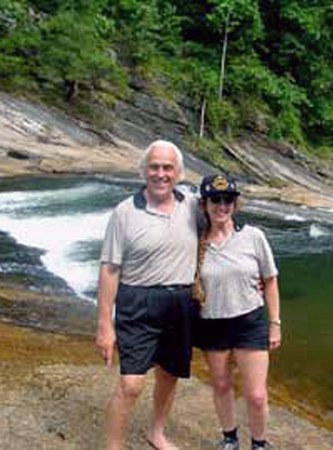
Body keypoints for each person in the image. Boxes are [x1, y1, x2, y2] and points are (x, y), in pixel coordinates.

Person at [95, 140, 200, 450]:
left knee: (169, 376)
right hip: (137, 302)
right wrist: (104, 325)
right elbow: (109, 270)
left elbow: (224, 226)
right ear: (144, 171)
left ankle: (157, 433)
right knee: (131, 384)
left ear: (179, 172)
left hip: (181, 303)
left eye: (168, 167)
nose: (160, 174)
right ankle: (113, 445)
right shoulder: (124, 212)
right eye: (154, 167)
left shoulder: (193, 205)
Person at [195, 174, 281, 450]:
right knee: (221, 386)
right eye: (215, 200)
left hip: (249, 322)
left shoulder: (253, 236)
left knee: (256, 395)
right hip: (211, 323)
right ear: (204, 204)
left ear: (235, 204)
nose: (222, 205)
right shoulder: (195, 243)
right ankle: (230, 437)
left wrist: (275, 323)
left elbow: (270, 279)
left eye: (228, 200)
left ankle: (259, 443)